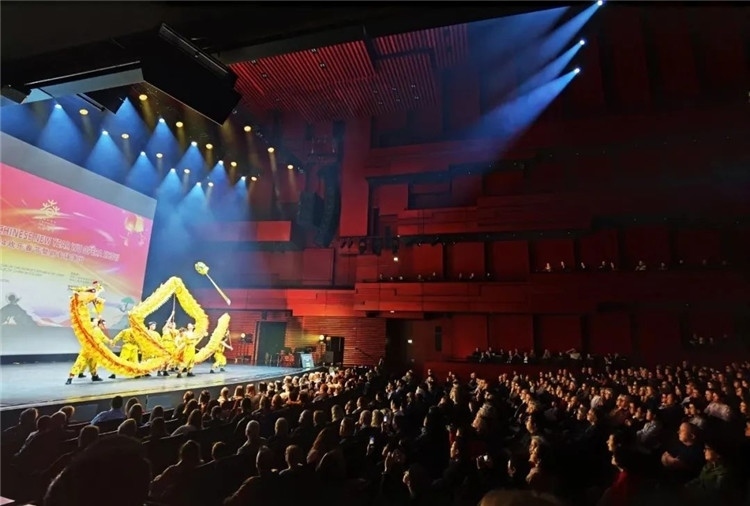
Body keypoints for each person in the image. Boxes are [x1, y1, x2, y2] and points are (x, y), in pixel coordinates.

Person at [66, 318, 108, 384]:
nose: (104, 326)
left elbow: (103, 338)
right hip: (86, 351)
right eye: (103, 324)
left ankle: (94, 377)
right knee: (79, 363)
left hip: (93, 351)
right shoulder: (91, 329)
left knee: (93, 364)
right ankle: (70, 378)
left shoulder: (97, 330)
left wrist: (111, 342)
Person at [159, 312, 179, 376]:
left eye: (171, 323)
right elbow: (167, 322)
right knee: (164, 358)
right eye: (169, 323)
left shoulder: (172, 331)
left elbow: (175, 336)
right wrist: (171, 315)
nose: (170, 324)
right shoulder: (164, 329)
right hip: (165, 345)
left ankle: (166, 370)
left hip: (171, 345)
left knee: (170, 359)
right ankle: (159, 371)